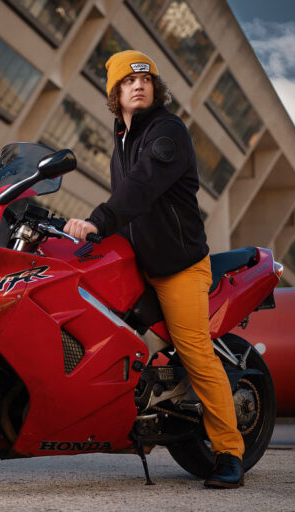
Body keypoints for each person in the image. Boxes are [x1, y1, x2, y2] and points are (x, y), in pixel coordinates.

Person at [63, 50, 245, 489]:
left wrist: (98, 220)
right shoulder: (123, 140)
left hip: (179, 266)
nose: (137, 86)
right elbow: (129, 205)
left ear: (155, 87)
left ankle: (228, 452)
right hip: (139, 263)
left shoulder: (167, 132)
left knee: (195, 350)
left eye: (144, 80)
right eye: (127, 82)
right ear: (115, 93)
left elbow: (141, 187)